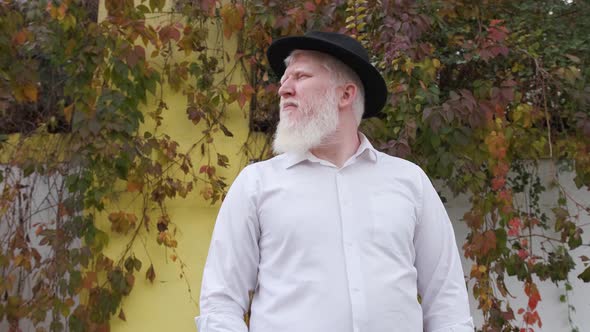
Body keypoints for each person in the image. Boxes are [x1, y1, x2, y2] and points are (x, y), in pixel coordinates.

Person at [195, 31, 473, 332]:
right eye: (284, 79)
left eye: (300, 76)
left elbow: (448, 304)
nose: (283, 89)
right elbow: (220, 303)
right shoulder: (256, 184)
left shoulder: (409, 182)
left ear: (345, 94)